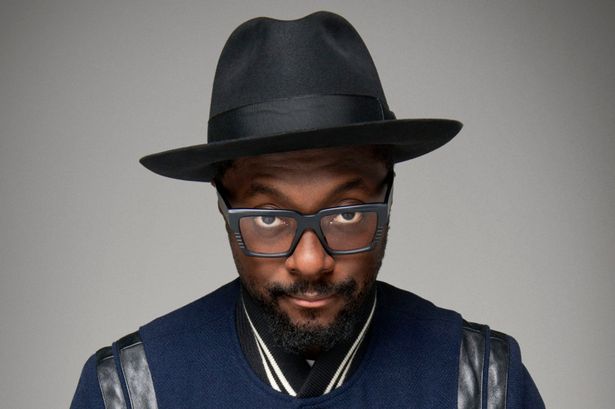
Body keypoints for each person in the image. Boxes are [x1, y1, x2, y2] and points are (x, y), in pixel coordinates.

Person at [70, 11, 544, 409]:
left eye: (346, 213)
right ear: (222, 204)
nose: (312, 261)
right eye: (269, 218)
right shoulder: (132, 392)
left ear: (389, 195)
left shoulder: (481, 384)